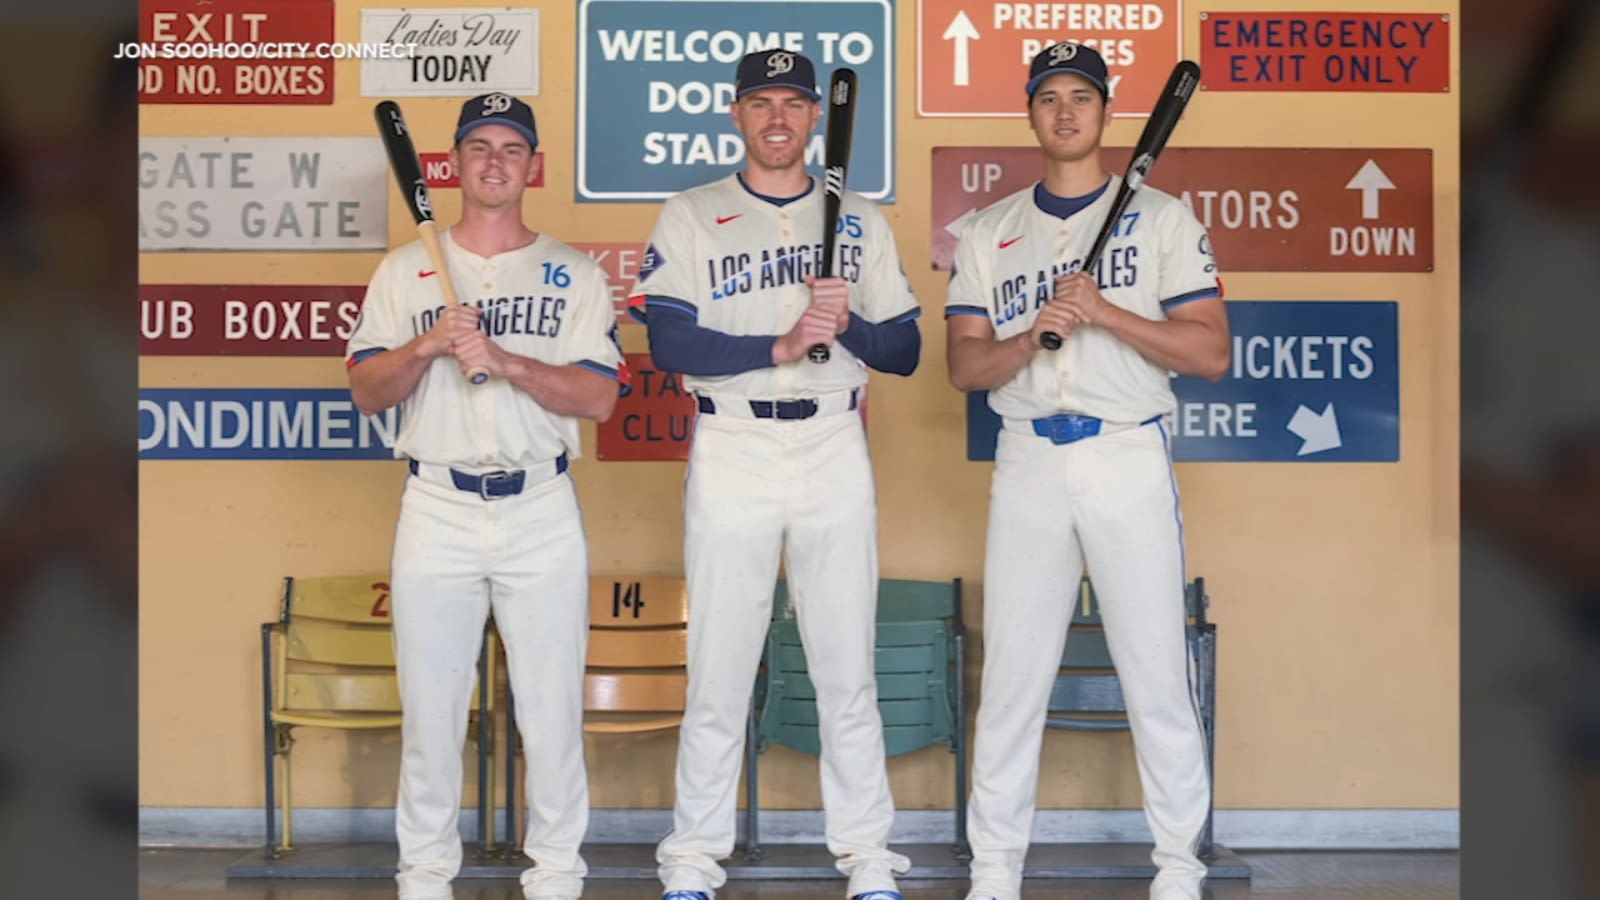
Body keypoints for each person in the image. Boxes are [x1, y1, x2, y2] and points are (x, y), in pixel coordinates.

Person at [624, 48, 922, 900]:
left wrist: (849, 325)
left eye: (794, 103)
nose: (779, 118)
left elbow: (904, 350)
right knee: (719, 663)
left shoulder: (860, 219)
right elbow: (668, 342)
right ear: (737, 115)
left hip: (833, 441)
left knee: (844, 666)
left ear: (814, 118)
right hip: (734, 447)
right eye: (762, 103)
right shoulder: (692, 212)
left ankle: (868, 857)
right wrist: (781, 343)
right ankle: (693, 856)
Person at [942, 43, 1231, 900]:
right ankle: (994, 871)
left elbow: (1211, 351)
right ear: (1030, 114)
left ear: (1105, 113)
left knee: (1155, 671)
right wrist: (1033, 334)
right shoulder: (988, 232)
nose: (1065, 111)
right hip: (1029, 460)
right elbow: (964, 369)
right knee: (1013, 679)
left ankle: (1179, 869)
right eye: (1048, 98)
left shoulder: (1164, 219)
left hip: (1125, 451)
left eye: (1082, 97)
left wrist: (1104, 311)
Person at [344, 92, 627, 900]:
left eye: (511, 148)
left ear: (532, 166)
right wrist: (430, 342)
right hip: (437, 505)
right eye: (479, 147)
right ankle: (426, 875)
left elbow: (598, 398)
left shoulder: (571, 273)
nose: (495, 160)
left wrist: (504, 360)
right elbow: (367, 389)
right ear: (457, 164)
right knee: (432, 715)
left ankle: (557, 876)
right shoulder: (406, 271)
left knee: (551, 714)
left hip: (541, 508)